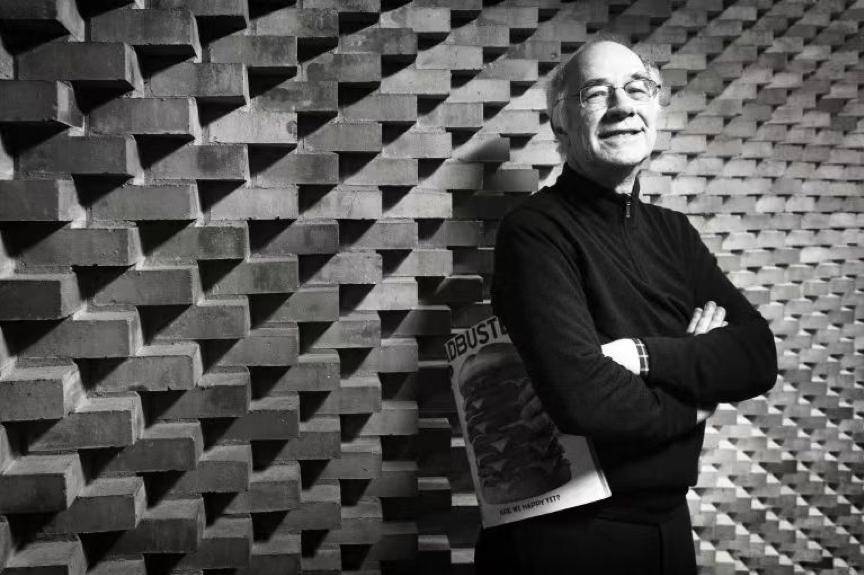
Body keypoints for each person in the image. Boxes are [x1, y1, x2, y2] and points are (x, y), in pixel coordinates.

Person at [476, 38, 778, 574]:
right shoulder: (535, 232)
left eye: (637, 89)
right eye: (596, 93)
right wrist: (695, 402)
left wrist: (642, 356)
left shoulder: (675, 233)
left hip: (668, 531)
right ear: (561, 124)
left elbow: (757, 356)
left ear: (655, 109)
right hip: (565, 542)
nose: (622, 106)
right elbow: (585, 400)